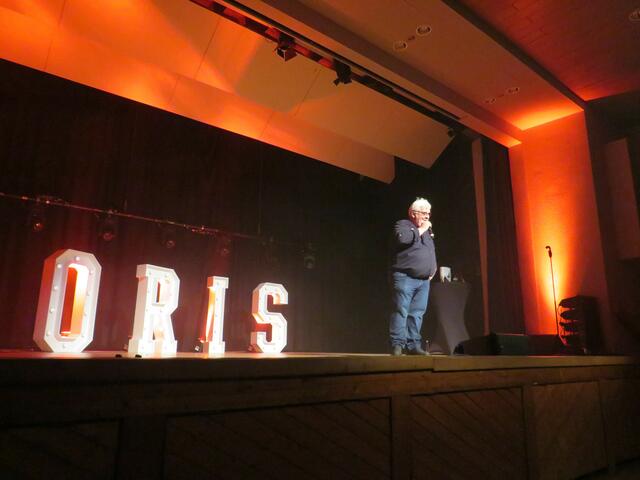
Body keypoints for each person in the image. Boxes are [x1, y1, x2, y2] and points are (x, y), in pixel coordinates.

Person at [389, 197, 437, 356]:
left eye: (428, 213)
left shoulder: (427, 231)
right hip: (405, 277)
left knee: (417, 314)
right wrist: (422, 228)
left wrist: (433, 268)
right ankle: (397, 345)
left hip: (423, 281)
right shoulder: (403, 225)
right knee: (401, 311)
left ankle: (413, 345)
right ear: (413, 213)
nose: (427, 216)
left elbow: (430, 250)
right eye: (424, 213)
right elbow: (404, 239)